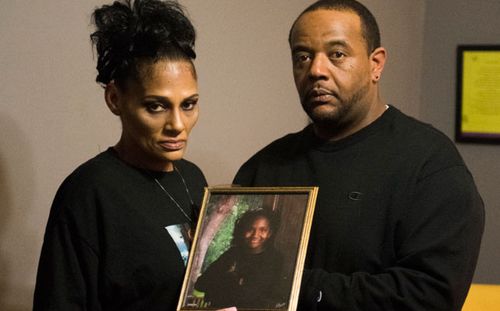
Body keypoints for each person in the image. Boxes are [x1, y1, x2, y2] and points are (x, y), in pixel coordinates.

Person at [233, 0, 485, 310]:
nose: (315, 70)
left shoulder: (430, 165)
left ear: (375, 64)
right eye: (303, 56)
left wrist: (293, 284)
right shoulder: (263, 168)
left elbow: (428, 298)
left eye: (337, 54)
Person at [32, 1, 220, 310]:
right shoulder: (88, 192)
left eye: (188, 104)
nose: (177, 125)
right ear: (115, 98)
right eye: (155, 106)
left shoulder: (193, 177)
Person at [194, 209, 287, 309]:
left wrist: (225, 281)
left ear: (269, 233)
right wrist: (235, 285)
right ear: (243, 230)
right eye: (250, 229)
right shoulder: (233, 253)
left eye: (262, 230)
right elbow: (201, 283)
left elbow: (251, 296)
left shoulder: (274, 259)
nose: (255, 235)